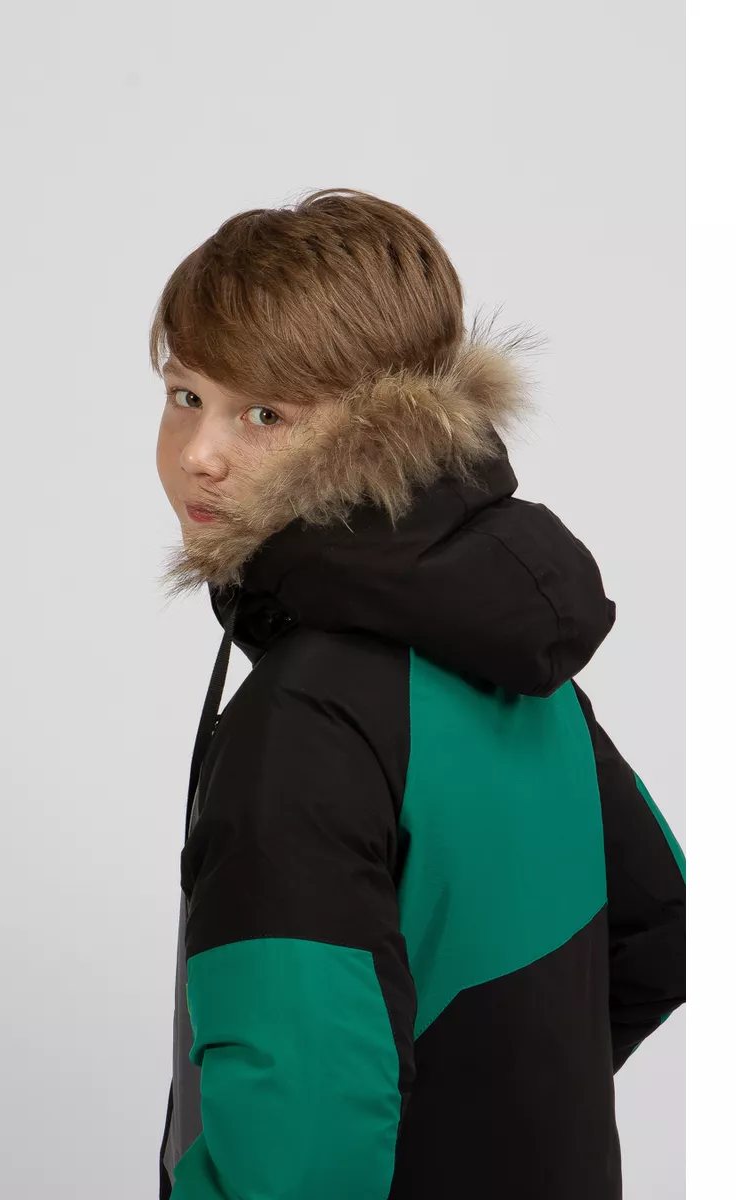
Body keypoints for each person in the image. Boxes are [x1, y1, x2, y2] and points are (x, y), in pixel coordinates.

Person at [150, 188, 686, 1200]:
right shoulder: (519, 675)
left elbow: (300, 1156)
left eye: (264, 413)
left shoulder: (302, 720)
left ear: (376, 430)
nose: (198, 454)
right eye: (185, 395)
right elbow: (659, 921)